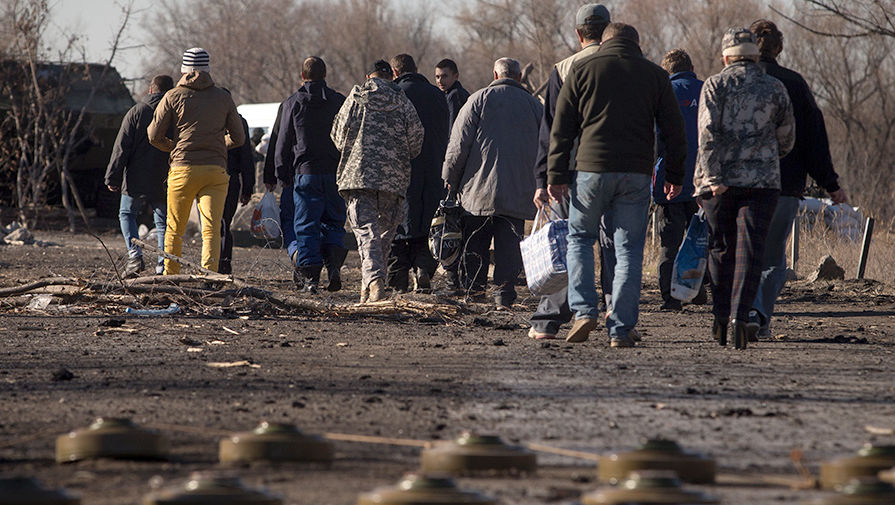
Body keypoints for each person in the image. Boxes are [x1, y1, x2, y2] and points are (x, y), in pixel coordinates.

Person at [547, 23, 687, 347]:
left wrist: (555, 175)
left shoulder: (582, 69)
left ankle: (584, 312)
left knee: (580, 238)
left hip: (590, 171)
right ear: (637, 44)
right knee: (628, 249)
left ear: (604, 42)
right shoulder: (655, 75)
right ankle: (621, 327)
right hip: (636, 174)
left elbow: (562, 128)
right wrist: (675, 176)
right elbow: (674, 131)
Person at [694, 28, 795, 349]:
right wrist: (763, 156)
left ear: (726, 57)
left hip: (718, 182)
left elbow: (707, 133)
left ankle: (721, 316)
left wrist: (713, 177)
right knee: (752, 251)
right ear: (755, 55)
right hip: (762, 182)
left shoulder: (714, 84)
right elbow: (787, 137)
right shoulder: (775, 87)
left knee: (720, 248)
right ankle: (741, 316)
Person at [748, 19, 848, 338]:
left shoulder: (732, 81)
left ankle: (743, 313)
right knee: (774, 256)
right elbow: (813, 139)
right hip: (785, 184)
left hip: (739, 183)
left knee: (743, 251)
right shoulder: (794, 83)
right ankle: (760, 314)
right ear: (779, 47)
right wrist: (830, 183)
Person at [529, 3, 610, 340]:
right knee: (615, 243)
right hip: (619, 169)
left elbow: (551, 131)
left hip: (571, 171)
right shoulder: (632, 66)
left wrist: (544, 178)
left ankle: (550, 320)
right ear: (608, 29)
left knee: (566, 242)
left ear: (578, 34)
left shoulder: (563, 69)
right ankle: (615, 313)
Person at [443, 58, 543, 308]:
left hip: (477, 191)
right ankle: (503, 295)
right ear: (519, 77)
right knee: (509, 245)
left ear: (495, 75)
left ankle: (474, 292)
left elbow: (458, 146)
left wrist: (450, 179)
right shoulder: (535, 106)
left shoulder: (478, 100)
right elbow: (548, 148)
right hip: (518, 192)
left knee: (475, 241)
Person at [331, 60, 424, 302]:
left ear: (368, 76)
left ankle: (373, 282)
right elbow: (416, 142)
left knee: (366, 233)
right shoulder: (402, 101)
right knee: (383, 236)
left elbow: (338, 137)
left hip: (358, 176)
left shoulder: (356, 97)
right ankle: (371, 286)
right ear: (391, 75)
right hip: (393, 180)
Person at [148, 47, 245, 274]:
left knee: (174, 229)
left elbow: (153, 135)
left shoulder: (172, 96)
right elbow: (239, 138)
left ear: (184, 70)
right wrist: (219, 145)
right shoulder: (223, 97)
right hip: (215, 170)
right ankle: (210, 276)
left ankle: (171, 276)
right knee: (211, 229)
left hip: (183, 169)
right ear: (208, 69)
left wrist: (173, 147)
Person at [275, 56, 348, 293]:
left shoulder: (293, 103)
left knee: (306, 224)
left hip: (305, 173)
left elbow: (283, 141)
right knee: (334, 221)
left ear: (302, 77)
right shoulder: (339, 101)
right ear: (325, 75)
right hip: (335, 173)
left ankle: (310, 278)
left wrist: (281, 172)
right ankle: (334, 266)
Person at [387, 54, 450, 293]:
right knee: (428, 224)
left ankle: (397, 281)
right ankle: (424, 268)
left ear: (395, 72)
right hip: (433, 170)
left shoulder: (395, 94)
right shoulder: (437, 95)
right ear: (416, 70)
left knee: (399, 226)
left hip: (401, 172)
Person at [653, 49, 707, 311]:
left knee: (669, 243)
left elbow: (655, 138)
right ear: (691, 67)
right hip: (704, 181)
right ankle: (698, 291)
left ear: (666, 71)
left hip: (669, 181)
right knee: (701, 239)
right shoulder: (707, 90)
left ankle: (671, 297)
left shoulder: (662, 93)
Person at [105, 74, 174, 277]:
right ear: (170, 92)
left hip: (135, 177)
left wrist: (113, 177)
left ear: (151, 90)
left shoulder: (137, 111)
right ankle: (163, 265)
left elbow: (121, 147)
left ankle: (135, 257)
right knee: (162, 222)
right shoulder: (175, 114)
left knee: (127, 214)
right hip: (165, 177)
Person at [219, 111, 254, 275]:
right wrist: (248, 187)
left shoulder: (207, 116)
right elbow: (246, 157)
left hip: (209, 176)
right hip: (231, 179)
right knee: (225, 224)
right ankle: (224, 265)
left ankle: (215, 264)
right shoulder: (239, 122)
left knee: (213, 225)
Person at [434, 58, 470, 128]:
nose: (440, 81)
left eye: (444, 76)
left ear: (456, 76)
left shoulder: (455, 96)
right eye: (437, 77)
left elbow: (451, 127)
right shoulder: (451, 94)